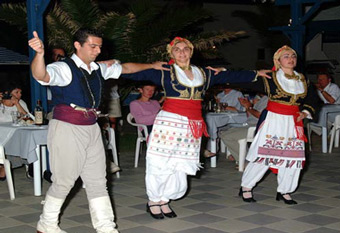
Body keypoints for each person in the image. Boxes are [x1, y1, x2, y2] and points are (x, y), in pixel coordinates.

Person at [28, 28, 167, 233]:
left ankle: (106, 231)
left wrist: (152, 65)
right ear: (78, 45)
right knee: (64, 181)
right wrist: (39, 54)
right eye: (93, 46)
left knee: (98, 180)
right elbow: (41, 75)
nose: (98, 50)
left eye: (100, 46)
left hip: (92, 126)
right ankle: (46, 223)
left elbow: (127, 68)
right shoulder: (63, 68)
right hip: (67, 126)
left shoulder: (98, 68)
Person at [121, 36, 271, 220]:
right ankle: (154, 199)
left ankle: (165, 199)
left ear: (191, 52)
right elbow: (128, 71)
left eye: (185, 49)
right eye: (177, 49)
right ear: (171, 53)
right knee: (161, 162)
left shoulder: (204, 73)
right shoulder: (165, 71)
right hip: (169, 123)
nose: (182, 52)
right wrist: (149, 66)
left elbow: (231, 76)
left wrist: (256, 74)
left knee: (181, 164)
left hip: (191, 126)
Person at [239, 45, 319, 205]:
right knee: (264, 155)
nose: (291, 59)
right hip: (273, 121)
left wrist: (305, 112)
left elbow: (312, 100)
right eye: (286, 56)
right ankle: (246, 187)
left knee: (293, 158)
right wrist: (222, 74)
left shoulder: (303, 80)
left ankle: (285, 190)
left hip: (293, 123)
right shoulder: (271, 78)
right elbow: (244, 80)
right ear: (278, 61)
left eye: (293, 56)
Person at [219, 94, 268, 166]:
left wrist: (249, 107)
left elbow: (260, 115)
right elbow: (250, 116)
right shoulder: (259, 98)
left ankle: (245, 161)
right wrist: (246, 106)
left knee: (226, 136)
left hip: (256, 127)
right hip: (249, 124)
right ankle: (243, 157)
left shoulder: (267, 99)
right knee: (223, 132)